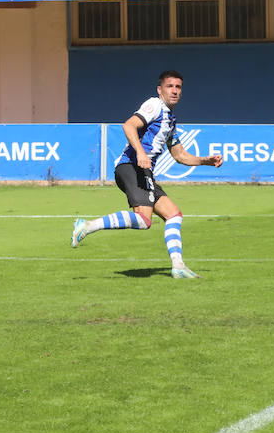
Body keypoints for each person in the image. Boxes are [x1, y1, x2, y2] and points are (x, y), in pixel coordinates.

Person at [71, 70, 224, 278]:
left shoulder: (170, 119)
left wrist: (205, 161)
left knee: (173, 215)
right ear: (159, 90)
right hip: (132, 166)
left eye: (178, 87)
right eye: (170, 86)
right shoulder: (154, 105)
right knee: (144, 220)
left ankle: (178, 266)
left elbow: (179, 155)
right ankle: (87, 226)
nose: (175, 91)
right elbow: (129, 125)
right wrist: (141, 153)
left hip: (143, 170)